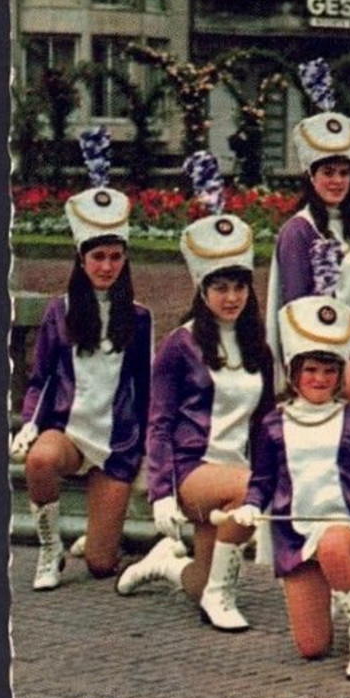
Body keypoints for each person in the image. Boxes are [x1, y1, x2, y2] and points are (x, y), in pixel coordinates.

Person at [229, 295, 350, 679]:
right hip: (295, 532)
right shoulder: (273, 424)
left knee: (334, 547)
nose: (319, 379)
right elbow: (262, 481)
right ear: (293, 373)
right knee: (312, 648)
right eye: (310, 371)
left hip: (344, 524)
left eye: (328, 371)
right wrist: (252, 506)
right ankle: (336, 586)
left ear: (339, 376)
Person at [122, 180, 276, 632]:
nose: (231, 297)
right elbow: (160, 424)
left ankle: (165, 565)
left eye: (239, 287)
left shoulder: (256, 347)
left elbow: (266, 421)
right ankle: (221, 596)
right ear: (202, 289)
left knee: (196, 579)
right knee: (251, 489)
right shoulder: (180, 345)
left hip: (235, 471)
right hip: (194, 470)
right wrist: (162, 492)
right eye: (220, 287)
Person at [12, 128, 151, 591]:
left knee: (100, 566)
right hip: (69, 431)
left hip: (116, 442)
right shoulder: (61, 310)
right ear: (82, 259)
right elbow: (42, 376)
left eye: (115, 257)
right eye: (98, 257)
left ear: (125, 259)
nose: (107, 266)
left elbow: (145, 390)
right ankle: (50, 549)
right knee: (38, 460)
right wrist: (31, 422)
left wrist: (148, 448)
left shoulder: (140, 318)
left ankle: (100, 540)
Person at [268, 58, 350, 405]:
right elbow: (297, 310)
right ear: (311, 177)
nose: (336, 181)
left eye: (344, 173)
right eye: (327, 172)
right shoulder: (299, 232)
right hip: (321, 364)